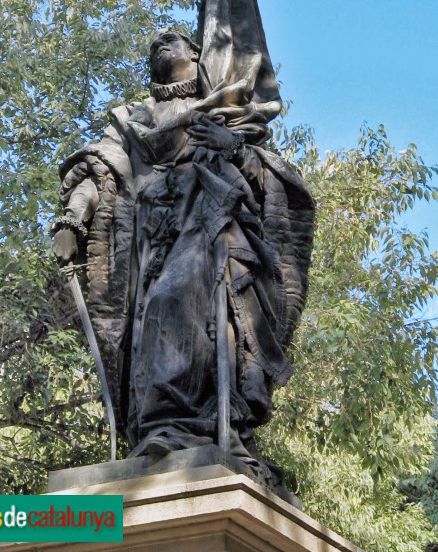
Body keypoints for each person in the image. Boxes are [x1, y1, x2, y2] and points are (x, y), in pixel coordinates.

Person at [52, 29, 314, 469]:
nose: (159, 46)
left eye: (170, 40)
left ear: (196, 52)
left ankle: (192, 428)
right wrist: (72, 221)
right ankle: (161, 433)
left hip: (210, 230)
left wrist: (235, 149)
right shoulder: (135, 119)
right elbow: (100, 171)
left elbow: (270, 181)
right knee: (146, 331)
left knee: (181, 309)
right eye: (153, 45)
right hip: (148, 242)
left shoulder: (224, 109)